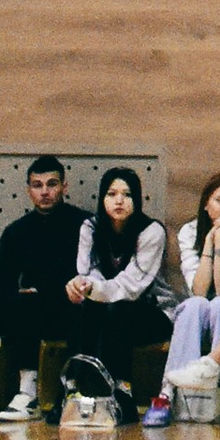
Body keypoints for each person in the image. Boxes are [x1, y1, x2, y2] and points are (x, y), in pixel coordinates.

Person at [60, 167, 172, 419]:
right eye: (111, 194)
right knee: (82, 309)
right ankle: (72, 392)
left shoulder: (151, 231)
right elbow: (87, 272)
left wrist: (92, 289)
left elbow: (131, 287)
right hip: (105, 309)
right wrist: (79, 287)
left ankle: (120, 395)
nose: (119, 200)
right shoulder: (90, 227)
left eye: (127, 194)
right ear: (102, 198)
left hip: (151, 311)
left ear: (137, 199)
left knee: (117, 311)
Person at [151, 171, 220, 429]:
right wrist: (209, 240)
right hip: (197, 313)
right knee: (194, 305)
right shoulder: (190, 231)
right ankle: (168, 391)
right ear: (206, 204)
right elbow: (199, 290)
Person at [0, 156, 84, 422]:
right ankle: (24, 393)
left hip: (72, 305)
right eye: (37, 185)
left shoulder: (84, 224)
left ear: (64, 186)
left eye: (52, 184)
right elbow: (5, 285)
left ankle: (69, 393)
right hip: (32, 309)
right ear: (28, 190)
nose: (45, 191)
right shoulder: (15, 232)